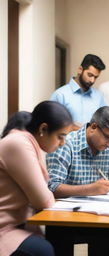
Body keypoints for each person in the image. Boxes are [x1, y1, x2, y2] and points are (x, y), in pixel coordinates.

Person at [46, 106, 109, 256]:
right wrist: (90, 189)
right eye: (108, 137)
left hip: (102, 213)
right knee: (58, 234)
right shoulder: (66, 144)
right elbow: (52, 188)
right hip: (68, 216)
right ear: (93, 127)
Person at [0, 101, 73, 256]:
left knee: (60, 237)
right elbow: (44, 201)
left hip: (19, 223)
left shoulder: (26, 142)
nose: (62, 143)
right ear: (43, 129)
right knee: (43, 249)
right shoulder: (18, 144)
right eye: (60, 136)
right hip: (5, 227)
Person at [50, 54, 106, 128]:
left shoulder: (99, 97)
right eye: (90, 75)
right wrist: (71, 127)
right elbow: (51, 123)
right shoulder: (60, 95)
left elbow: (104, 122)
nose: (92, 80)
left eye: (96, 77)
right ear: (80, 69)